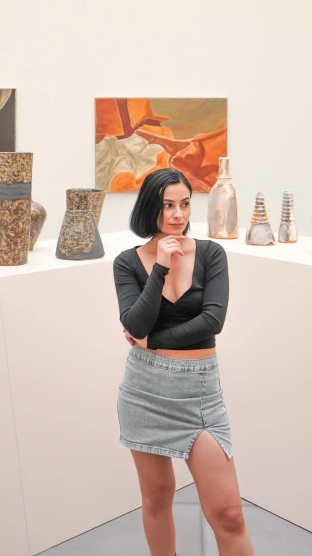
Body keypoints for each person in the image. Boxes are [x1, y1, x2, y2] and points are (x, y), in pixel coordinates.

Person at [113, 168, 255, 556]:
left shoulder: (211, 254)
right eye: (167, 205)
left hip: (199, 392)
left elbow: (212, 321)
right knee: (156, 499)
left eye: (185, 204)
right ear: (150, 208)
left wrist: (153, 341)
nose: (178, 214)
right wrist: (159, 267)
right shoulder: (128, 263)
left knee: (228, 514)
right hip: (144, 391)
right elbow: (134, 322)